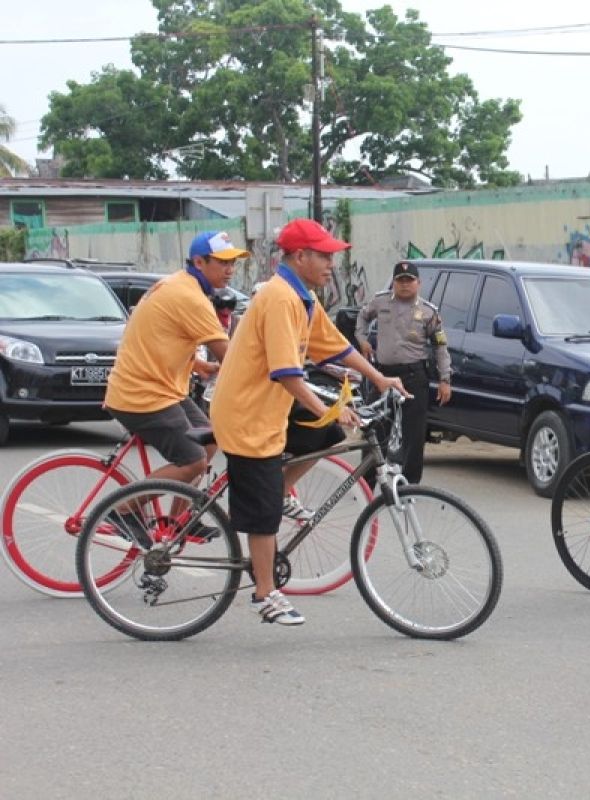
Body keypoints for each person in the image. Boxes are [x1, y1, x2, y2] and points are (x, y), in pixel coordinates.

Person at [209, 219, 408, 626]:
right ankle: (265, 593)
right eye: (324, 255)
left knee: (330, 434)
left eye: (333, 256)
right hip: (247, 415)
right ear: (299, 256)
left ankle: (278, 489)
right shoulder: (281, 299)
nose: (332, 264)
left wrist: (378, 377)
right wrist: (324, 407)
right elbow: (286, 372)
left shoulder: (304, 300)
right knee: (265, 514)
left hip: (271, 408)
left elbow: (335, 347)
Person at [104, 231, 244, 496]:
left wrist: (195, 364)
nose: (230, 270)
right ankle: (120, 513)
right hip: (143, 396)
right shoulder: (191, 297)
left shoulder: (180, 284)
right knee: (193, 461)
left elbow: (156, 336)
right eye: (222, 262)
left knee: (210, 440)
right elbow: (231, 355)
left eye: (233, 263)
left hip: (161, 389)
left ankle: (181, 520)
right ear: (199, 262)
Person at [354, 260, 452, 484]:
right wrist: (362, 339)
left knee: (414, 433)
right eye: (400, 281)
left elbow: (440, 346)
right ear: (394, 283)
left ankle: (411, 482)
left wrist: (445, 379)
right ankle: (366, 482)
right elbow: (362, 316)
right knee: (374, 427)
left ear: (418, 283)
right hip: (384, 375)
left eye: (409, 281)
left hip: (414, 375)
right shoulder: (380, 302)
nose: (405, 285)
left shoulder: (428, 312)